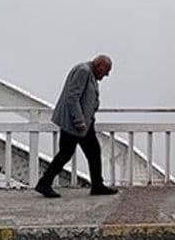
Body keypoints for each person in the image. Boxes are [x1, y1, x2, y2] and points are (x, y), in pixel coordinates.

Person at [36, 54, 118, 198]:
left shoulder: (88, 72)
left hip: (84, 124)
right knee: (67, 153)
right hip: (75, 124)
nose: (106, 75)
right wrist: (79, 121)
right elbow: (72, 97)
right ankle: (44, 183)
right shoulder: (84, 71)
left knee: (91, 152)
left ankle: (97, 185)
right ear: (100, 66)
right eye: (106, 71)